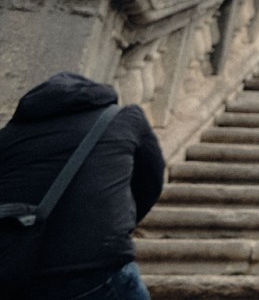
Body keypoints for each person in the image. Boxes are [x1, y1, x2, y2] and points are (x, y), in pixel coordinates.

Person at [0, 73, 165, 300]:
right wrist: (115, 222)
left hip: (21, 272)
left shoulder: (9, 136)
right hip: (99, 268)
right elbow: (151, 181)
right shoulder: (125, 119)